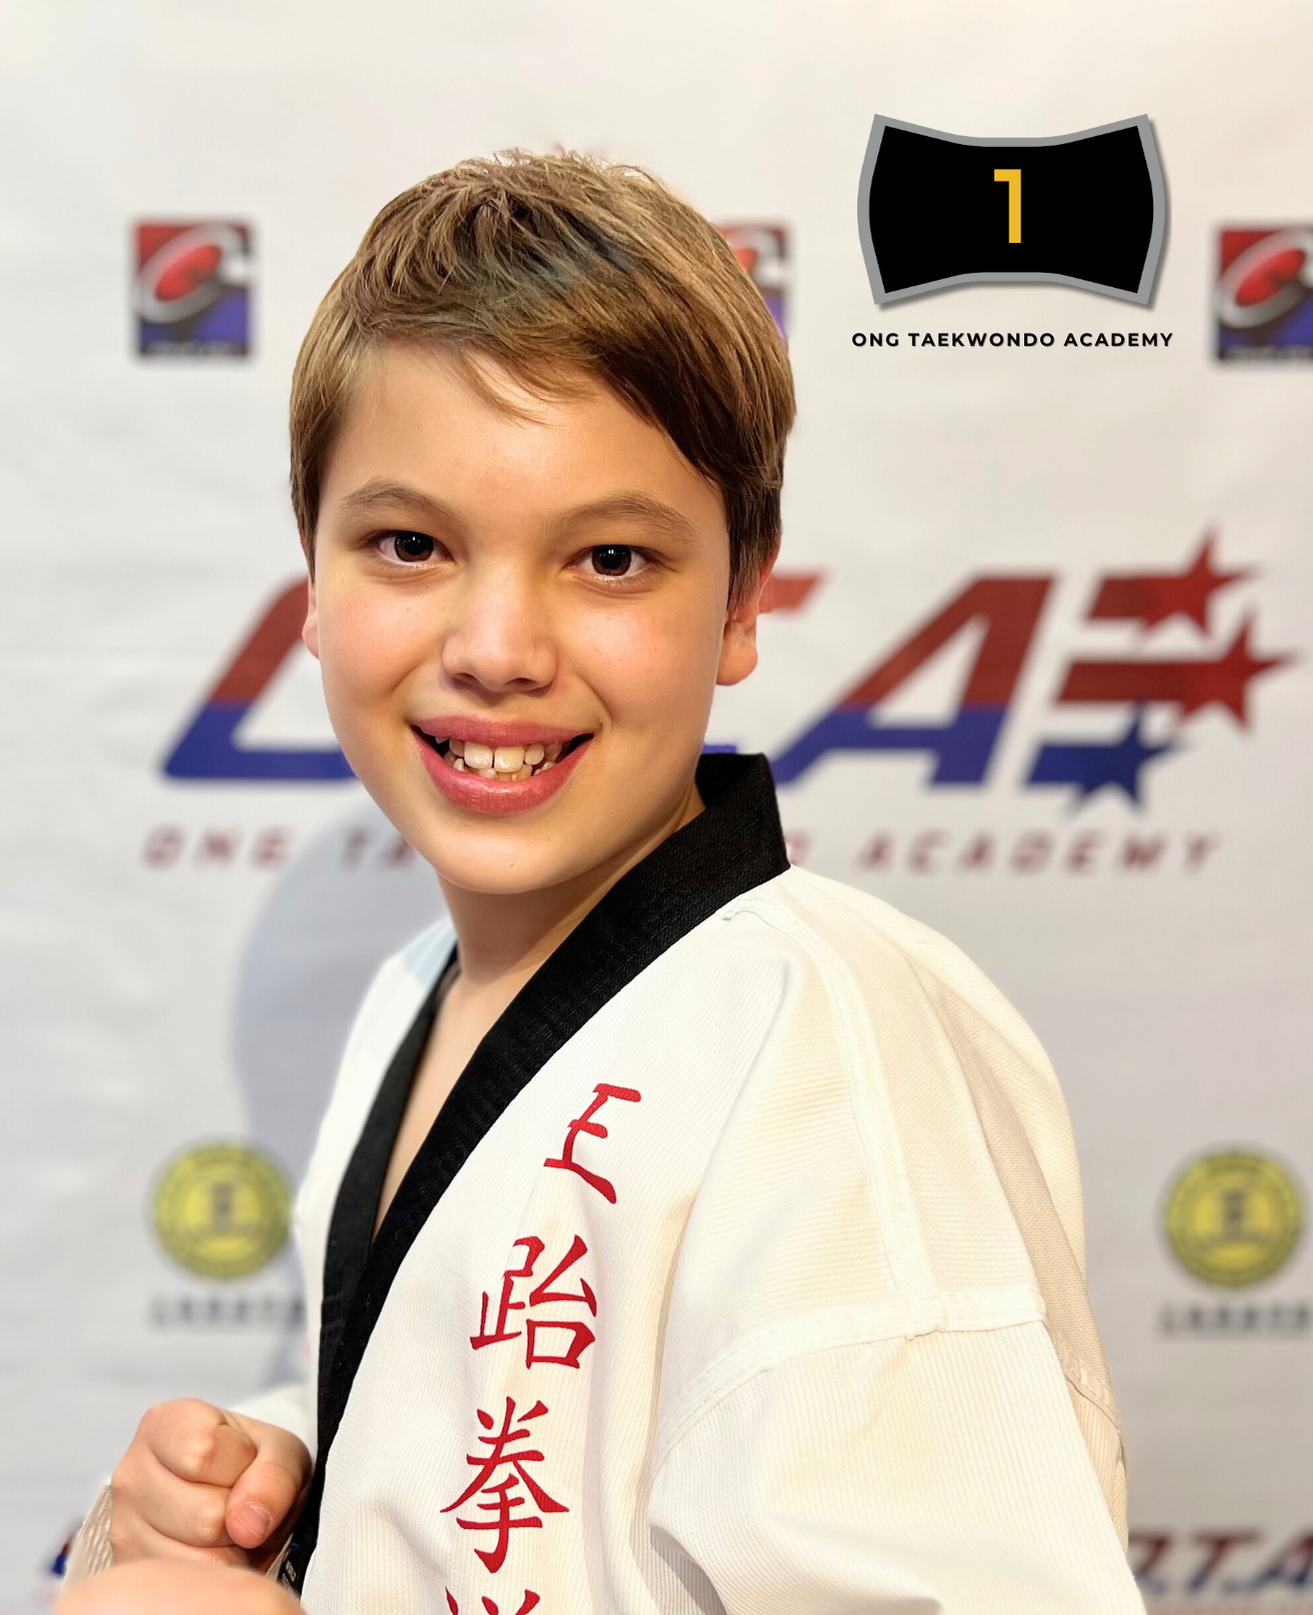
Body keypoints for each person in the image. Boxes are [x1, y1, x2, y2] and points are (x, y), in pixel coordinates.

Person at [61, 151, 1143, 1614]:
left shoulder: (824, 1046)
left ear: (744, 599)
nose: (498, 644)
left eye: (612, 558)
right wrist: (263, 1491)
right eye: (410, 544)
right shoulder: (412, 995)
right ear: (310, 580)